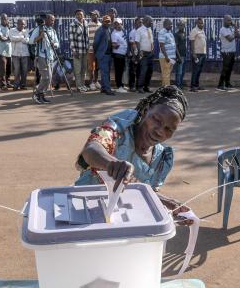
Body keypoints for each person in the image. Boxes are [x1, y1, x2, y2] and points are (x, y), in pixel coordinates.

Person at [74, 86, 195, 223]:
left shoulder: (162, 158)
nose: (160, 131)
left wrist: (168, 205)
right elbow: (91, 148)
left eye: (168, 129)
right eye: (156, 119)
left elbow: (144, 192)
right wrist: (111, 163)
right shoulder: (118, 131)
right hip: (82, 209)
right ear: (145, 111)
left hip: (120, 219)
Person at [29, 13, 59, 104]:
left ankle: (42, 95)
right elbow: (30, 41)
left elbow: (58, 43)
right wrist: (39, 37)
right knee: (45, 77)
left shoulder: (53, 31)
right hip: (41, 56)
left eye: (54, 20)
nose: (53, 22)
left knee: (49, 78)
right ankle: (37, 93)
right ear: (46, 20)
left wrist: (55, 44)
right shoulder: (39, 29)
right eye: (51, 20)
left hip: (50, 56)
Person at [94, 15, 115, 96]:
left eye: (109, 21)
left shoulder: (109, 29)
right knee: (105, 72)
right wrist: (98, 53)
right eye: (106, 21)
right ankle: (108, 89)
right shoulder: (100, 30)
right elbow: (95, 43)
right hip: (103, 55)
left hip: (109, 55)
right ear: (102, 22)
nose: (108, 23)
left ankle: (103, 88)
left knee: (106, 72)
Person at [69, 9, 89, 92]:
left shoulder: (86, 23)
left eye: (80, 14)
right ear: (75, 15)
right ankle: (78, 86)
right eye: (77, 14)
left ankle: (83, 85)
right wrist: (74, 51)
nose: (79, 16)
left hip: (85, 50)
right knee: (78, 70)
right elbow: (71, 39)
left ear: (83, 15)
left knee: (84, 69)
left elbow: (87, 37)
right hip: (77, 51)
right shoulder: (73, 24)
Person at [218, 15, 239, 91]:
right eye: (228, 20)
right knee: (225, 69)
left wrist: (235, 27)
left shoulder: (231, 28)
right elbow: (230, 39)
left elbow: (238, 35)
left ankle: (227, 83)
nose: (230, 22)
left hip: (232, 51)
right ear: (224, 20)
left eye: (231, 20)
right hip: (226, 52)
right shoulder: (222, 29)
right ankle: (220, 85)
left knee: (230, 69)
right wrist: (235, 34)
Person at [135, 15, 155, 93]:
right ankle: (140, 87)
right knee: (143, 71)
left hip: (150, 54)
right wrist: (140, 51)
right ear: (146, 21)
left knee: (150, 71)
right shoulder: (139, 30)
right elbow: (137, 41)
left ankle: (146, 87)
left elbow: (151, 41)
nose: (152, 23)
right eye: (151, 22)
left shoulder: (149, 30)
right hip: (143, 54)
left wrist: (152, 50)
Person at [10, 19, 30, 90]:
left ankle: (23, 85)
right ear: (17, 24)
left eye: (23, 24)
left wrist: (19, 38)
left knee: (24, 71)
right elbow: (12, 38)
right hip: (15, 54)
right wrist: (21, 38)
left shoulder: (25, 31)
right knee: (17, 70)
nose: (22, 26)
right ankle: (16, 85)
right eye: (21, 24)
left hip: (24, 54)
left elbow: (27, 41)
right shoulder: (12, 30)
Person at [189, 17, 207, 92]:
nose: (201, 24)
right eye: (200, 23)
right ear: (197, 23)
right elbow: (192, 42)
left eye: (202, 23)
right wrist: (194, 53)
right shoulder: (194, 30)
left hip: (203, 53)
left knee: (199, 70)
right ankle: (192, 86)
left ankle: (197, 85)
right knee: (195, 70)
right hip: (197, 54)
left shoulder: (202, 31)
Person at [0, 14, 12, 90]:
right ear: (0, 19)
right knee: (3, 69)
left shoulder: (8, 27)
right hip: (1, 52)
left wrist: (9, 28)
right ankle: (3, 84)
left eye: (6, 19)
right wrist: (9, 38)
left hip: (9, 51)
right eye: (3, 19)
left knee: (9, 68)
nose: (4, 20)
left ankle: (8, 82)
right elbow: (1, 39)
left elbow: (11, 36)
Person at [158, 18, 177, 88]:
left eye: (171, 24)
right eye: (170, 24)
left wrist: (174, 56)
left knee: (167, 74)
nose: (171, 26)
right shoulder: (162, 32)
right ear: (165, 25)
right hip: (165, 57)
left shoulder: (170, 33)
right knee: (166, 74)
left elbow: (173, 45)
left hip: (171, 58)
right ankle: (167, 89)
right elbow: (161, 45)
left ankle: (164, 89)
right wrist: (166, 56)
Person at [111, 18, 128, 93]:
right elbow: (114, 45)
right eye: (116, 24)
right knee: (118, 71)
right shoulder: (114, 34)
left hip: (123, 54)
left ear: (121, 24)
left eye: (119, 24)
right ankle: (119, 86)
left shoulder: (122, 31)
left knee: (121, 70)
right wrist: (116, 45)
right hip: (117, 55)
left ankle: (122, 85)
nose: (118, 25)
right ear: (114, 25)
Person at [87, 10, 100, 90]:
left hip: (98, 51)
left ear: (97, 15)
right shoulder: (88, 25)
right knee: (91, 67)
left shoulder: (101, 25)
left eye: (93, 15)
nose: (92, 16)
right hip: (91, 50)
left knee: (97, 67)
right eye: (91, 15)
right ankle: (91, 83)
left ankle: (96, 81)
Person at [128, 17, 142, 91]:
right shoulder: (132, 32)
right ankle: (132, 86)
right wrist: (134, 56)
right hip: (133, 55)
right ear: (135, 23)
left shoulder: (141, 32)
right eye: (139, 22)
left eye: (141, 22)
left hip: (140, 54)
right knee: (132, 72)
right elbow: (131, 45)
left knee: (139, 72)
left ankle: (138, 86)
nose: (140, 24)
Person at [173, 19, 187, 89]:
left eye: (183, 25)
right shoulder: (176, 34)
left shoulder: (184, 33)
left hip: (184, 55)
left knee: (183, 72)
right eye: (180, 25)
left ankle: (180, 85)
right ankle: (177, 86)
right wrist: (178, 56)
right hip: (179, 55)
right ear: (177, 26)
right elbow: (175, 46)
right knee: (179, 72)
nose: (182, 27)